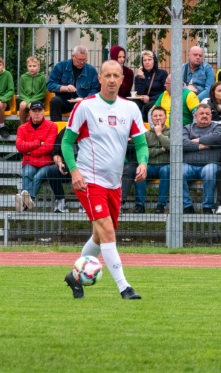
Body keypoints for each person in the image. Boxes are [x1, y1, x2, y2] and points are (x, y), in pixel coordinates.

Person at [62, 60, 148, 300]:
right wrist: (74, 171)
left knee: (100, 236)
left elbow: (141, 143)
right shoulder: (85, 106)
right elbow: (67, 142)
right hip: (89, 180)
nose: (111, 80)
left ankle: (74, 276)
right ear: (99, 78)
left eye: (116, 75)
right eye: (107, 75)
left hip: (114, 183)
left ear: (122, 80)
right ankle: (124, 287)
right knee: (108, 231)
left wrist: (143, 162)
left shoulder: (130, 108)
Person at [14, 101, 58, 211]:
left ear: (44, 112)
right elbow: (19, 146)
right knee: (27, 174)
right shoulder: (22, 128)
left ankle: (25, 203)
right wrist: (38, 143)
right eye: (34, 111)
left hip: (46, 162)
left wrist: (29, 151)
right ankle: (28, 201)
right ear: (29, 113)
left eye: (39, 110)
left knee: (38, 177)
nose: (37, 113)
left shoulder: (52, 126)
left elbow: (49, 147)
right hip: (29, 162)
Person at [182, 104, 221, 214]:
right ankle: (187, 207)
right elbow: (182, 142)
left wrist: (196, 140)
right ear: (195, 116)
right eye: (201, 113)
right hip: (188, 165)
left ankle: (207, 207)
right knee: (177, 172)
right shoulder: (187, 128)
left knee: (209, 172)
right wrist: (200, 146)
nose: (204, 116)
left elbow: (217, 137)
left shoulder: (217, 127)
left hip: (210, 164)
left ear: (211, 116)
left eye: (207, 114)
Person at [133, 106, 170, 214]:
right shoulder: (146, 134)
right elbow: (145, 152)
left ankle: (161, 205)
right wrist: (161, 150)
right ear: (151, 118)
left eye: (160, 115)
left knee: (166, 171)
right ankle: (139, 205)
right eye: (155, 116)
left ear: (165, 117)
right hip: (151, 166)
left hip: (166, 165)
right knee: (140, 171)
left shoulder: (172, 132)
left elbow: (171, 147)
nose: (158, 118)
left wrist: (159, 134)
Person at [47, 45, 99, 121]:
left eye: (84, 60)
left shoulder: (91, 71)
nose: (82, 62)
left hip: (83, 103)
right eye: (80, 59)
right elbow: (50, 85)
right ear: (73, 56)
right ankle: (56, 126)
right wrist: (64, 88)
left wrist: (85, 99)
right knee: (54, 101)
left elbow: (95, 89)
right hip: (64, 101)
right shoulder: (61, 66)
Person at [44, 126, 73, 213]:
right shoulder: (64, 132)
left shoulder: (89, 132)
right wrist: (60, 163)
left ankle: (84, 203)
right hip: (66, 166)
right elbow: (55, 152)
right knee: (52, 170)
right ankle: (61, 201)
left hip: (84, 167)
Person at [134, 50, 168, 121]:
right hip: (142, 100)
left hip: (157, 99)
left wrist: (150, 98)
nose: (147, 62)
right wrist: (141, 79)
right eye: (145, 60)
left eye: (149, 60)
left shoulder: (162, 74)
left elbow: (165, 92)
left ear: (154, 61)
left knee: (148, 106)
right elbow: (139, 94)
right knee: (134, 105)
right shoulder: (138, 76)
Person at [18, 56, 46, 124]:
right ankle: (22, 126)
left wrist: (32, 101)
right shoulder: (23, 77)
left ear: (38, 67)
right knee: (22, 105)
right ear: (27, 67)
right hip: (26, 99)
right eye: (30, 66)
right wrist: (28, 101)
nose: (32, 68)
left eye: (34, 66)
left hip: (38, 100)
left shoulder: (42, 77)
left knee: (35, 106)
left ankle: (35, 126)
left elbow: (42, 93)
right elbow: (22, 93)